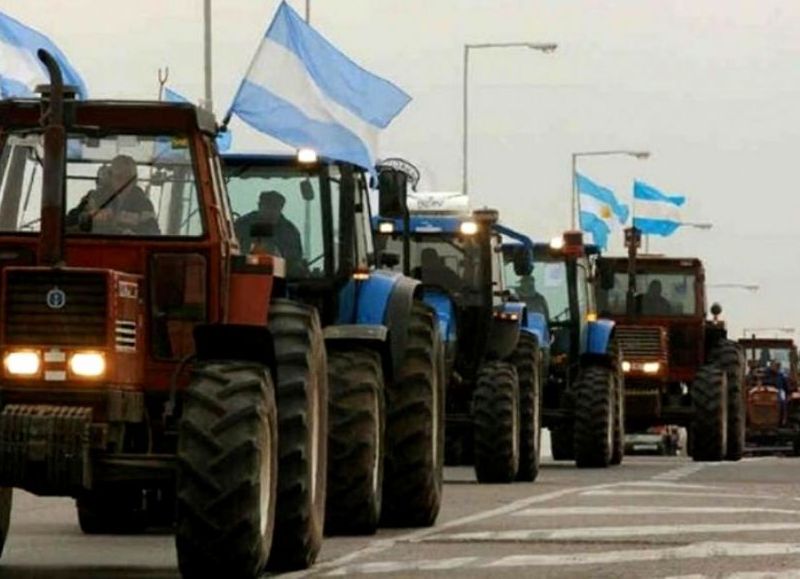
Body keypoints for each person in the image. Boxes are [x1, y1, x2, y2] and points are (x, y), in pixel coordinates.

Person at [70, 155, 160, 235]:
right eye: (119, 177)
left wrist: (135, 234)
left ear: (135, 180)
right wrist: (89, 216)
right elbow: (69, 222)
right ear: (110, 177)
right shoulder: (94, 197)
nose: (124, 182)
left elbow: (154, 232)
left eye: (129, 178)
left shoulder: (144, 204)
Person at [235, 190, 304, 272]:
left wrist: (276, 255)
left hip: (281, 277)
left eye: (275, 207)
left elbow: (294, 259)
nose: (271, 211)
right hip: (245, 273)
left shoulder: (289, 231)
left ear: (281, 208)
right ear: (260, 206)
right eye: (267, 206)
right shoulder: (243, 225)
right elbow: (235, 251)